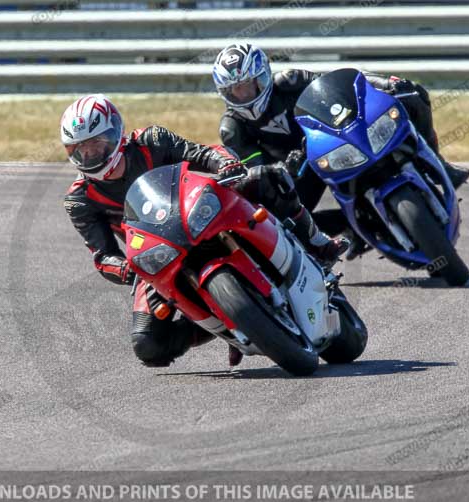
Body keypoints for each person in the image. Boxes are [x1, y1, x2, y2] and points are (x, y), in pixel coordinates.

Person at [62, 94, 346, 368]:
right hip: (157, 253)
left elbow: (201, 153)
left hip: (197, 211)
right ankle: (226, 326)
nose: (89, 155)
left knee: (268, 178)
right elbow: (102, 256)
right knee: (147, 344)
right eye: (79, 150)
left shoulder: (151, 140)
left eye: (96, 144)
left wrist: (227, 164)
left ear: (117, 135)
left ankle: (317, 243)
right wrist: (128, 268)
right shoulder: (79, 200)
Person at [212, 43, 469, 255]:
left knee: (414, 95)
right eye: (234, 90)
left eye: (247, 84)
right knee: (284, 224)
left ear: (263, 76)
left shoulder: (290, 80)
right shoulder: (233, 128)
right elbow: (257, 170)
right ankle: (348, 232)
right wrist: (280, 170)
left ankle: (440, 164)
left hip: (333, 143)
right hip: (298, 172)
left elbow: (339, 85)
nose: (242, 93)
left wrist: (384, 83)